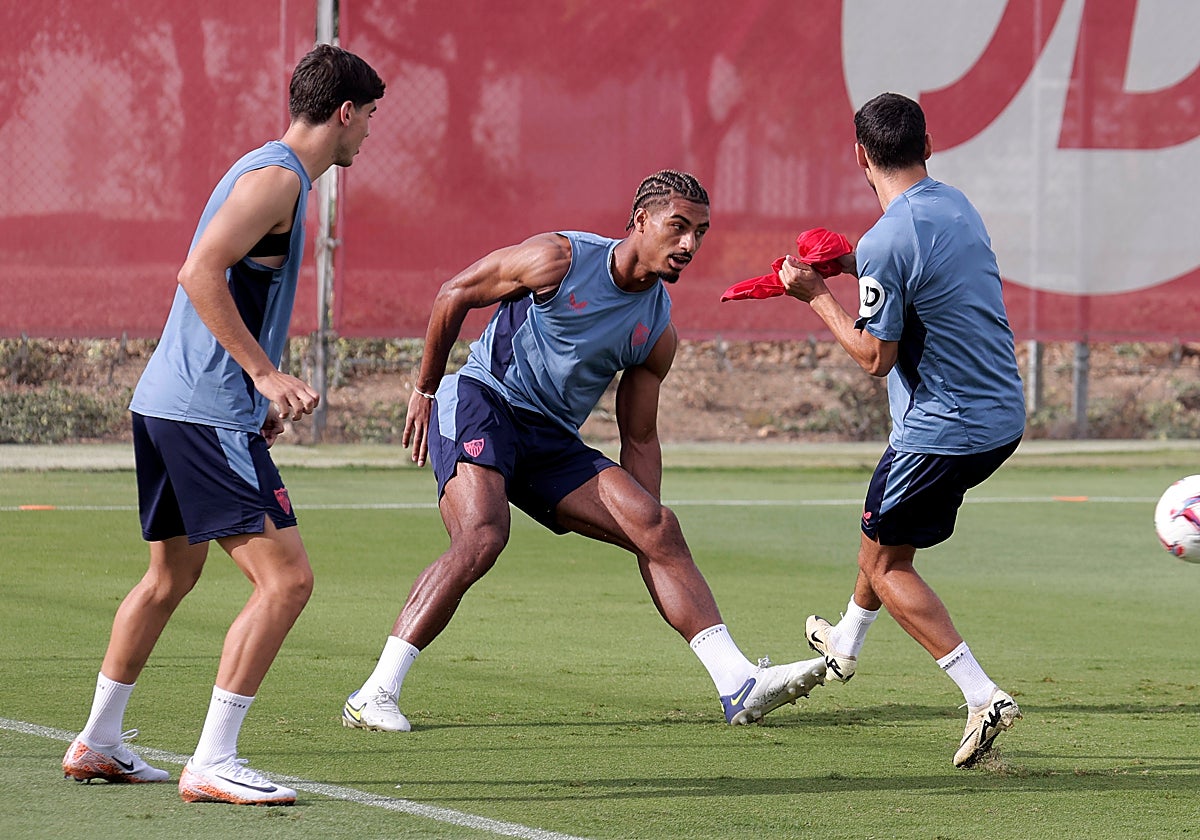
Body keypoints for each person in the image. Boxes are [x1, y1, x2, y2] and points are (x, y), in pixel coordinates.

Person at [341, 170, 827, 732]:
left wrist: (646, 527)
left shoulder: (656, 329)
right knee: (482, 535)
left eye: (700, 232)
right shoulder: (560, 259)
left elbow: (639, 437)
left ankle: (738, 684)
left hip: (550, 438)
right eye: (678, 227)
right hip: (485, 399)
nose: (689, 244)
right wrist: (424, 389)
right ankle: (375, 693)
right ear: (641, 221)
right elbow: (455, 293)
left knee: (658, 526)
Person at [61, 44, 385, 805]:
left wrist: (252, 397)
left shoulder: (272, 173)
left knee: (171, 575)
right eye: (369, 116)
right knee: (287, 581)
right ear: (344, 112)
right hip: (199, 410)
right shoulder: (278, 179)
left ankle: (99, 741)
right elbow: (199, 272)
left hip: (173, 404)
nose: (370, 132)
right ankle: (213, 760)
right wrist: (262, 375)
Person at [776, 92, 1027, 768]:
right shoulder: (957, 205)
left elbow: (873, 357)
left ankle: (981, 695)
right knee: (879, 533)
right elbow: (923, 276)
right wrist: (855, 266)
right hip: (1001, 417)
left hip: (942, 428)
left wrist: (816, 295)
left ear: (859, 155)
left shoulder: (886, 240)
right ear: (929, 146)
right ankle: (846, 643)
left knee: (888, 563)